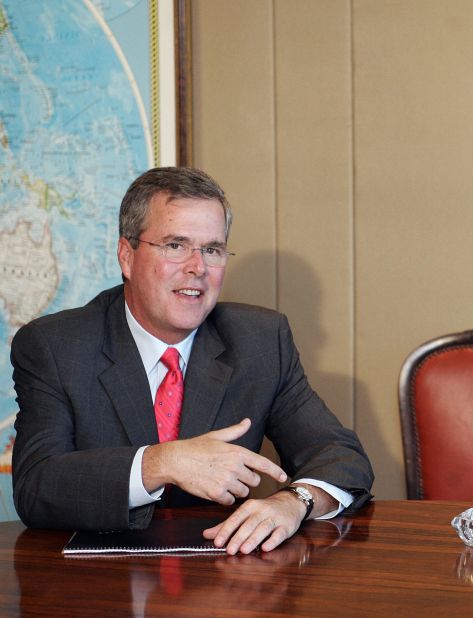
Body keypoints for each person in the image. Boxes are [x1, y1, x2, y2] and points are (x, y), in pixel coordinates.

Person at [11, 167, 374, 555]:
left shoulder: (260, 340)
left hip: (222, 580)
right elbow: (37, 486)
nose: (197, 268)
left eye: (212, 249)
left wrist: (294, 502)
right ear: (127, 256)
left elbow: (340, 456)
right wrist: (161, 462)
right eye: (175, 245)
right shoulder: (56, 345)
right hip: (95, 584)